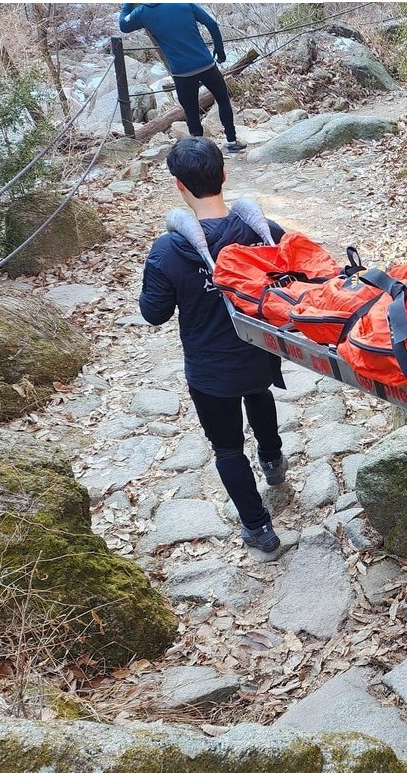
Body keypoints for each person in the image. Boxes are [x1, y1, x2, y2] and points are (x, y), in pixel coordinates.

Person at [140, 137, 289, 553]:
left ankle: (258, 528)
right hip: (260, 352)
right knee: (258, 394)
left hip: (210, 368)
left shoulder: (169, 250)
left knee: (227, 449)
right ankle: (273, 461)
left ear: (178, 184)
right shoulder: (262, 231)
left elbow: (154, 313)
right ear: (223, 174)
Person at [119, 3, 247, 153]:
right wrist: (219, 49)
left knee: (191, 111)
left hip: (181, 72)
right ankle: (232, 141)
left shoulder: (142, 12)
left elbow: (123, 26)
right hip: (206, 64)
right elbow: (211, 23)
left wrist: (126, 5)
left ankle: (199, 151)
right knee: (223, 100)